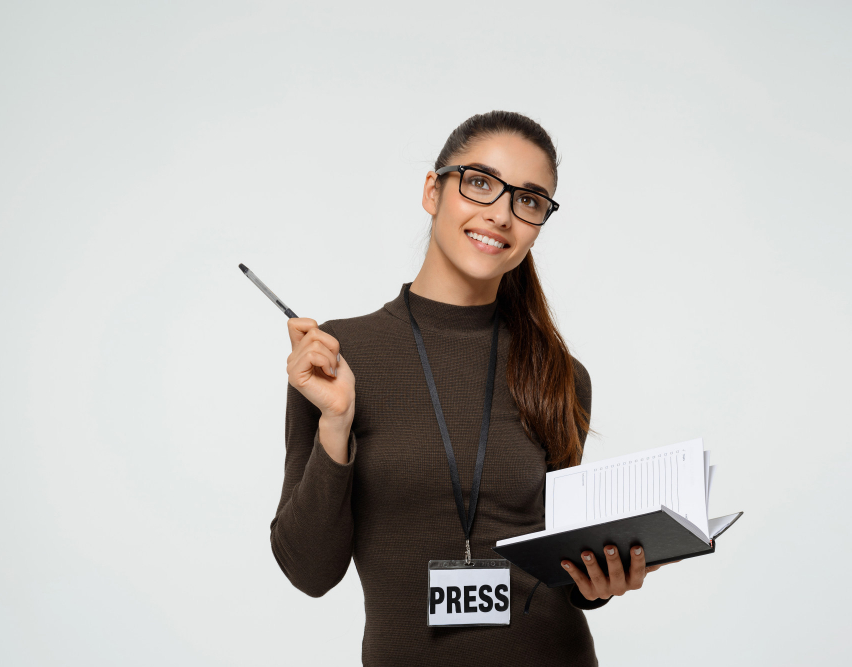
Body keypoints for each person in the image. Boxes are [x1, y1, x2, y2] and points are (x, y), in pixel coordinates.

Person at [270, 110, 675, 666]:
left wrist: (600, 581)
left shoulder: (560, 374)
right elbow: (309, 571)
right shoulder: (337, 359)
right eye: (480, 183)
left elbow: (565, 567)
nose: (502, 215)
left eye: (529, 201)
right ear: (433, 191)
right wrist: (336, 423)